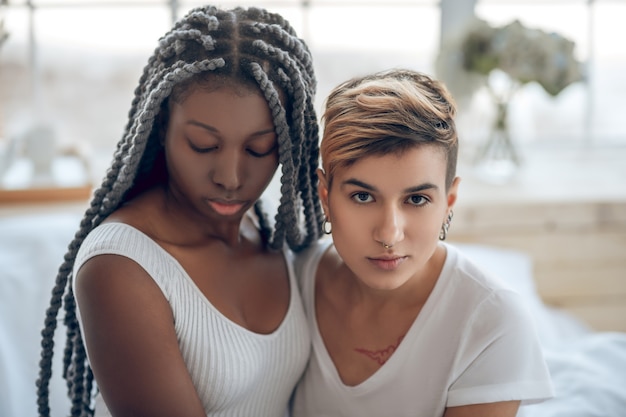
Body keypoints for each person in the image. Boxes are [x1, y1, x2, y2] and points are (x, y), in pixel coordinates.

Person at [36, 5, 324, 417]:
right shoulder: (121, 265)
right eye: (203, 145)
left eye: (259, 149)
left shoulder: (276, 241)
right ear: (161, 125)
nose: (230, 177)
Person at [291, 68, 554, 417]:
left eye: (416, 200)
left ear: (449, 201)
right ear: (325, 195)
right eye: (362, 197)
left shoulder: (492, 322)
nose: (388, 234)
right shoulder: (294, 280)